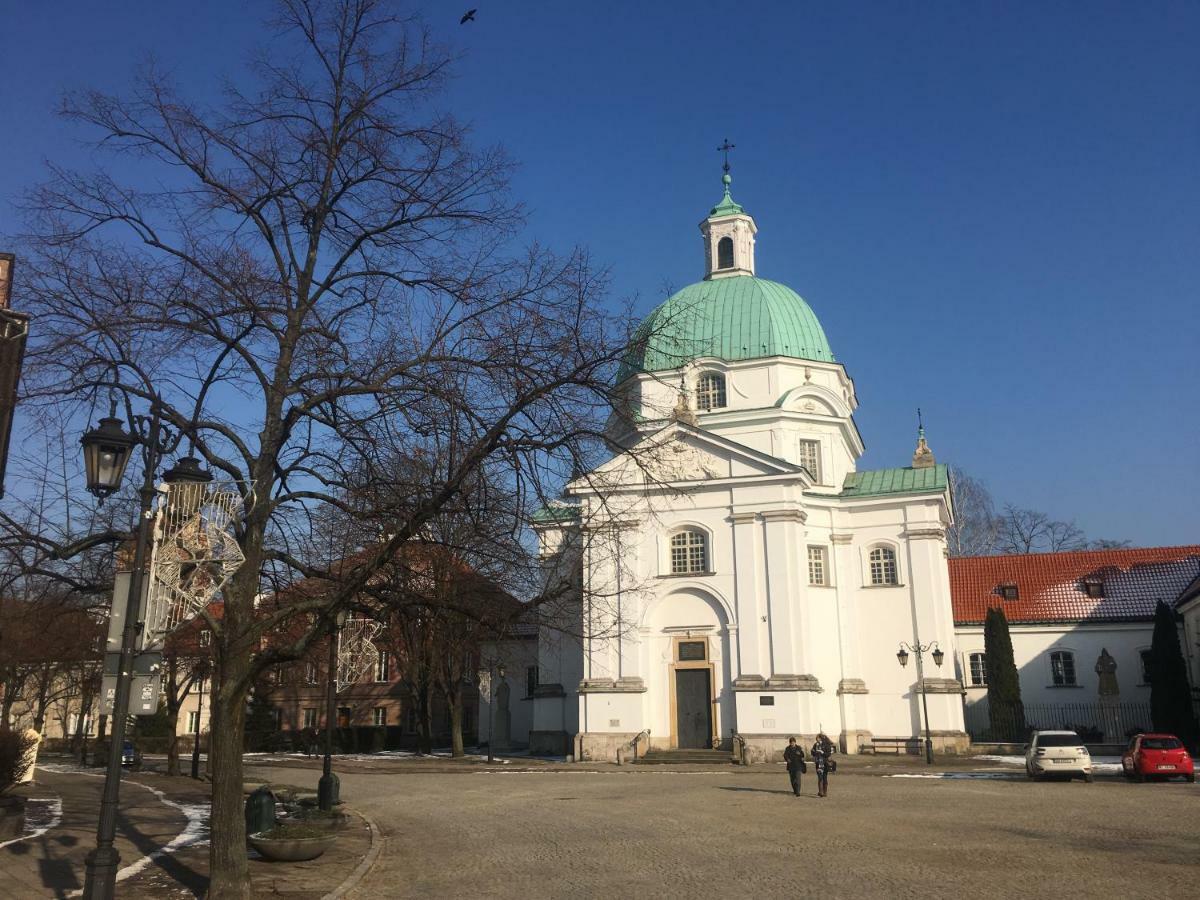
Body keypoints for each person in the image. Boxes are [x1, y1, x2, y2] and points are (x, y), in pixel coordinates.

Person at [810, 732, 836, 798]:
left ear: (821, 738)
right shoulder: (815, 745)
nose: (817, 740)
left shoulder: (826, 745)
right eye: (816, 739)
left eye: (818, 738)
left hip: (825, 763)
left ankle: (825, 792)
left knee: (824, 777)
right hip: (818, 763)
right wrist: (813, 752)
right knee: (820, 777)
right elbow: (812, 753)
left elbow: (828, 754)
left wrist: (822, 752)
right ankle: (820, 792)